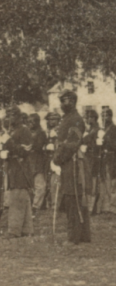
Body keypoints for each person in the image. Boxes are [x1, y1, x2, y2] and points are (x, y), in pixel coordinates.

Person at [52, 89, 91, 244]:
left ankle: (74, 237)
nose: (62, 104)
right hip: (68, 162)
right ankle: (82, 236)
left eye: (65, 100)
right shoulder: (67, 118)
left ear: (73, 101)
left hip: (73, 163)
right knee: (72, 199)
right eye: (61, 101)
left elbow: (70, 145)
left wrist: (56, 159)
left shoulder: (75, 119)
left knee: (73, 198)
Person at [3, 105, 33, 239]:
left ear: (18, 117)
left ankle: (14, 230)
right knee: (23, 198)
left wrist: (8, 142)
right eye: (7, 116)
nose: (8, 119)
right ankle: (26, 229)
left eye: (11, 116)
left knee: (17, 197)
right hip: (14, 167)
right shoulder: (13, 131)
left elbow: (24, 151)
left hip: (21, 167)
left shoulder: (24, 130)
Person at [29, 113, 48, 217]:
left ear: (37, 122)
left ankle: (35, 206)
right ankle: (30, 206)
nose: (30, 124)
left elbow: (38, 146)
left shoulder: (41, 133)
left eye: (32, 121)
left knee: (40, 185)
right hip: (29, 161)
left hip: (38, 161)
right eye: (29, 121)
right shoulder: (28, 132)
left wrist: (29, 145)